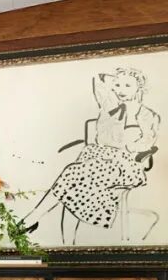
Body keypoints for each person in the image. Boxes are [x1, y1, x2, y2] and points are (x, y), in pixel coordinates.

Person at [20, 67, 160, 244]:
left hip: (126, 164)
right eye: (118, 85)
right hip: (95, 158)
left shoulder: (148, 114)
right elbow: (99, 79)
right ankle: (67, 245)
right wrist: (116, 79)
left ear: (139, 88)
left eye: (127, 85)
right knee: (73, 183)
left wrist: (128, 146)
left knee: (72, 176)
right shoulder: (108, 103)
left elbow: (147, 142)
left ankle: (31, 219)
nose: (121, 90)